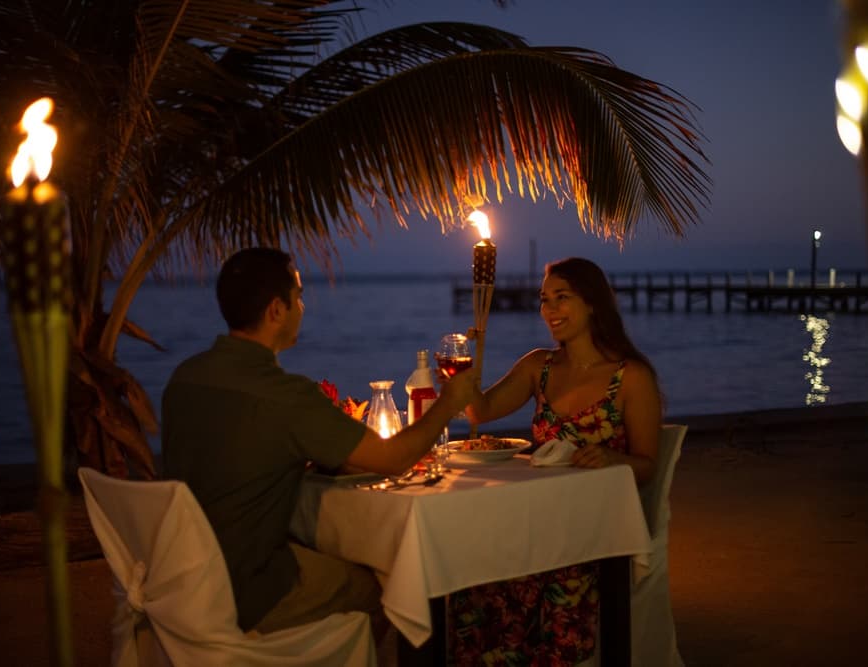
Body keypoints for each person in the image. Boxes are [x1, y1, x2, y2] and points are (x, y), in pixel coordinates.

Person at [161, 247, 478, 639]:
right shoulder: (286, 396)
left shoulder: (184, 377)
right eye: (299, 297)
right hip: (246, 586)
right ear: (277, 310)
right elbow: (394, 459)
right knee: (386, 587)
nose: (303, 306)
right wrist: (448, 402)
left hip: (178, 576)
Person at [448, 256, 662, 665]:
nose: (549, 310)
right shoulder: (538, 367)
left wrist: (612, 458)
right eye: (545, 299)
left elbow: (648, 466)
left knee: (541, 590)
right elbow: (479, 412)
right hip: (533, 518)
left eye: (561, 298)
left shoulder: (630, 377)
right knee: (471, 578)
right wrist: (466, 364)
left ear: (593, 302)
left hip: (589, 528)